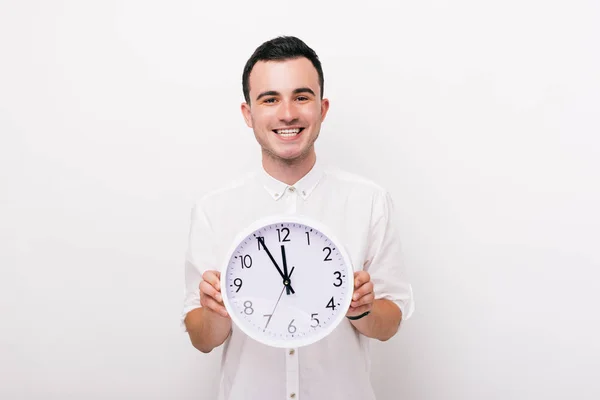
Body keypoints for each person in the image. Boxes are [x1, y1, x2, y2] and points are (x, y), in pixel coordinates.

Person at [181, 36, 414, 400]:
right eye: (270, 99)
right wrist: (214, 312)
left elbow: (389, 324)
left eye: (301, 97)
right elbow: (202, 339)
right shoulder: (214, 210)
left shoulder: (370, 202)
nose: (287, 113)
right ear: (248, 114)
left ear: (322, 108)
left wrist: (362, 310)